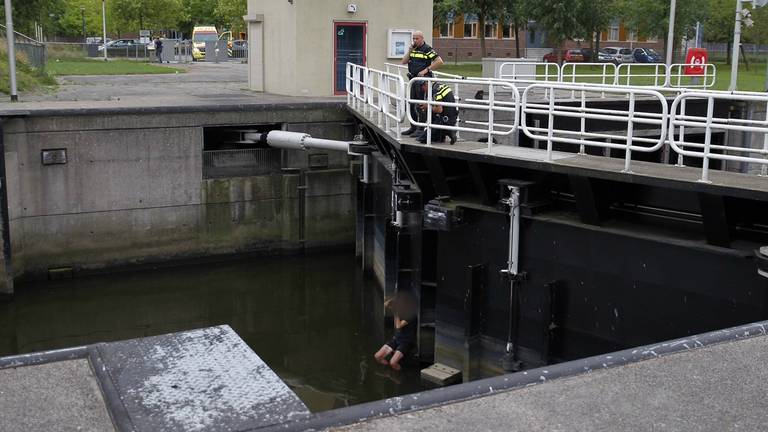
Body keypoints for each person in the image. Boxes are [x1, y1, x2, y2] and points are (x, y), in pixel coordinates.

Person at [401, 31, 444, 137]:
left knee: (421, 105)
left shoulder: (427, 49)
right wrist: (409, 51)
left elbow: (439, 61)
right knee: (410, 103)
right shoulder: (413, 49)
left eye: (416, 39)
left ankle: (420, 128)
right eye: (413, 39)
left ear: (422, 38)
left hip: (423, 81)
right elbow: (404, 61)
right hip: (413, 80)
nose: (414, 41)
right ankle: (413, 127)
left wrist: (426, 70)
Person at [374, 291, 418, 371]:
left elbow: (398, 326)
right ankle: (389, 372)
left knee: (393, 362)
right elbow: (386, 304)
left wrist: (396, 312)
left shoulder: (411, 315)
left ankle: (400, 376)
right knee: (377, 356)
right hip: (396, 339)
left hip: (406, 341)